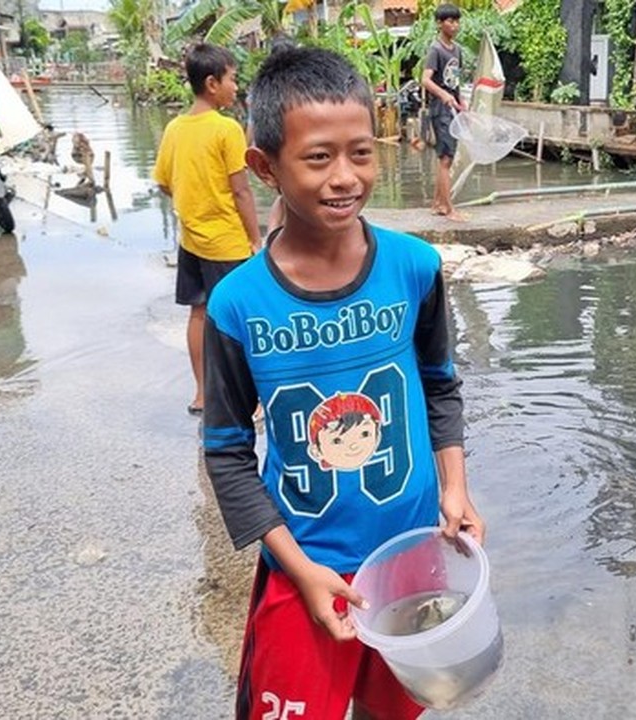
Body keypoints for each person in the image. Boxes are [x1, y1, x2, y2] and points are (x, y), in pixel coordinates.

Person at [202, 45, 486, 719]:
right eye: (318, 157)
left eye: (360, 153)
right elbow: (227, 451)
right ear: (265, 167)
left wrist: (455, 488)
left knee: (400, 707)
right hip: (306, 564)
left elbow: (439, 386)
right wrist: (298, 570)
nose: (344, 177)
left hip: (412, 554)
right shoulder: (237, 305)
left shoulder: (415, 267)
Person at [153, 43, 261, 416]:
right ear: (213, 83)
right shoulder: (227, 129)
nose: (236, 87)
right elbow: (241, 190)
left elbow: (163, 183)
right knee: (240, 319)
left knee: (198, 314)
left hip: (191, 240)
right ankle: (249, 400)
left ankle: (202, 394)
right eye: (233, 79)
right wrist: (255, 239)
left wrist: (192, 200)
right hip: (227, 242)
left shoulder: (174, 128)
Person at [420, 3, 466, 221]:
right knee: (445, 159)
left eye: (457, 21)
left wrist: (460, 101)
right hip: (440, 108)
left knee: (448, 157)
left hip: (452, 107)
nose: (454, 25)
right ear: (440, 23)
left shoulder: (457, 50)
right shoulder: (435, 50)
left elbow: (455, 80)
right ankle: (449, 209)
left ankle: (438, 204)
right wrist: (443, 95)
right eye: (450, 21)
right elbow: (425, 80)